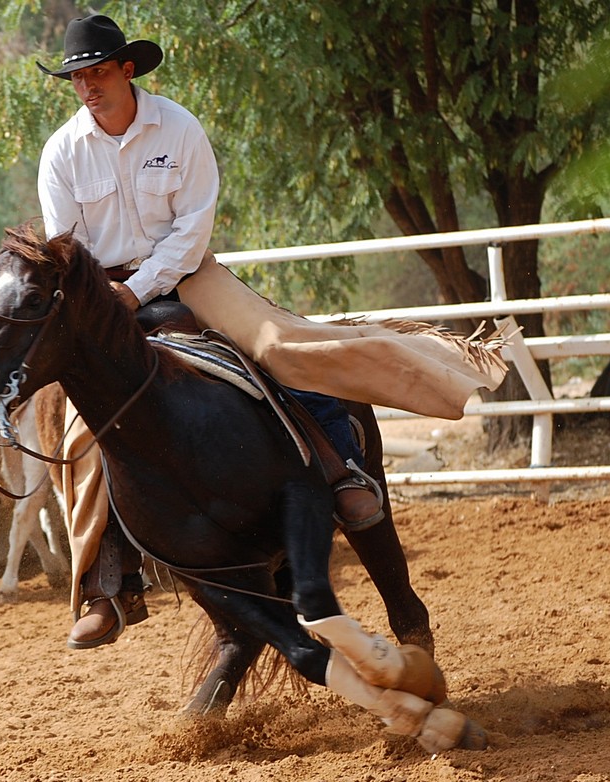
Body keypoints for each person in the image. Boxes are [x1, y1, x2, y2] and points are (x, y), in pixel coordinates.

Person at [36, 15, 507, 650]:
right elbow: (67, 246)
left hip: (187, 275)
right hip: (105, 297)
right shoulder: (62, 152)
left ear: (127, 69)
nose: (88, 86)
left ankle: (342, 470)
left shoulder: (178, 127)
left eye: (98, 72)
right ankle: (106, 583)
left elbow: (192, 229)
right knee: (83, 427)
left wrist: (138, 290)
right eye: (77, 78)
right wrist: (108, 300)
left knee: (279, 349)